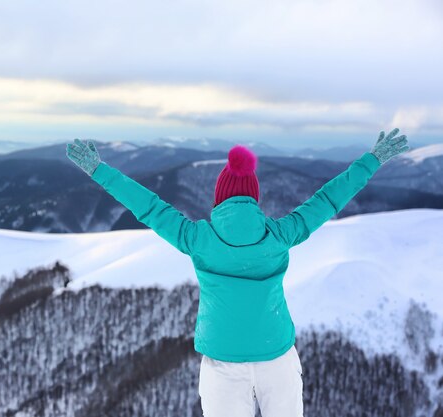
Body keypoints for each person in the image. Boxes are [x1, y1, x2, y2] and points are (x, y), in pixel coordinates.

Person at [65, 129, 409, 417]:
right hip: (276, 353)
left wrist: (99, 170)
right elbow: (328, 199)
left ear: (220, 198)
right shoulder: (280, 235)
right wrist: (371, 161)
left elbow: (149, 206)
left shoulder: (197, 239)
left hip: (222, 358)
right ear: (254, 199)